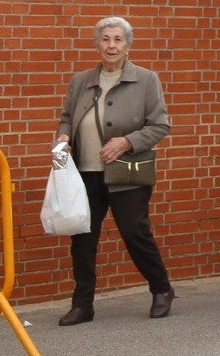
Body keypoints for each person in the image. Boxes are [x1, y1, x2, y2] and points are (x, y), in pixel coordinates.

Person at [53, 16, 175, 325]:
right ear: (97, 44)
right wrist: (64, 136)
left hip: (127, 171)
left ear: (128, 45)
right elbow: (67, 117)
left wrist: (126, 142)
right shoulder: (81, 81)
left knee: (135, 233)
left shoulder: (146, 80)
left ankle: (161, 289)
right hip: (85, 173)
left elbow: (160, 125)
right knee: (83, 240)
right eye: (105, 39)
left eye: (118, 39)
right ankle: (82, 305)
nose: (111, 45)